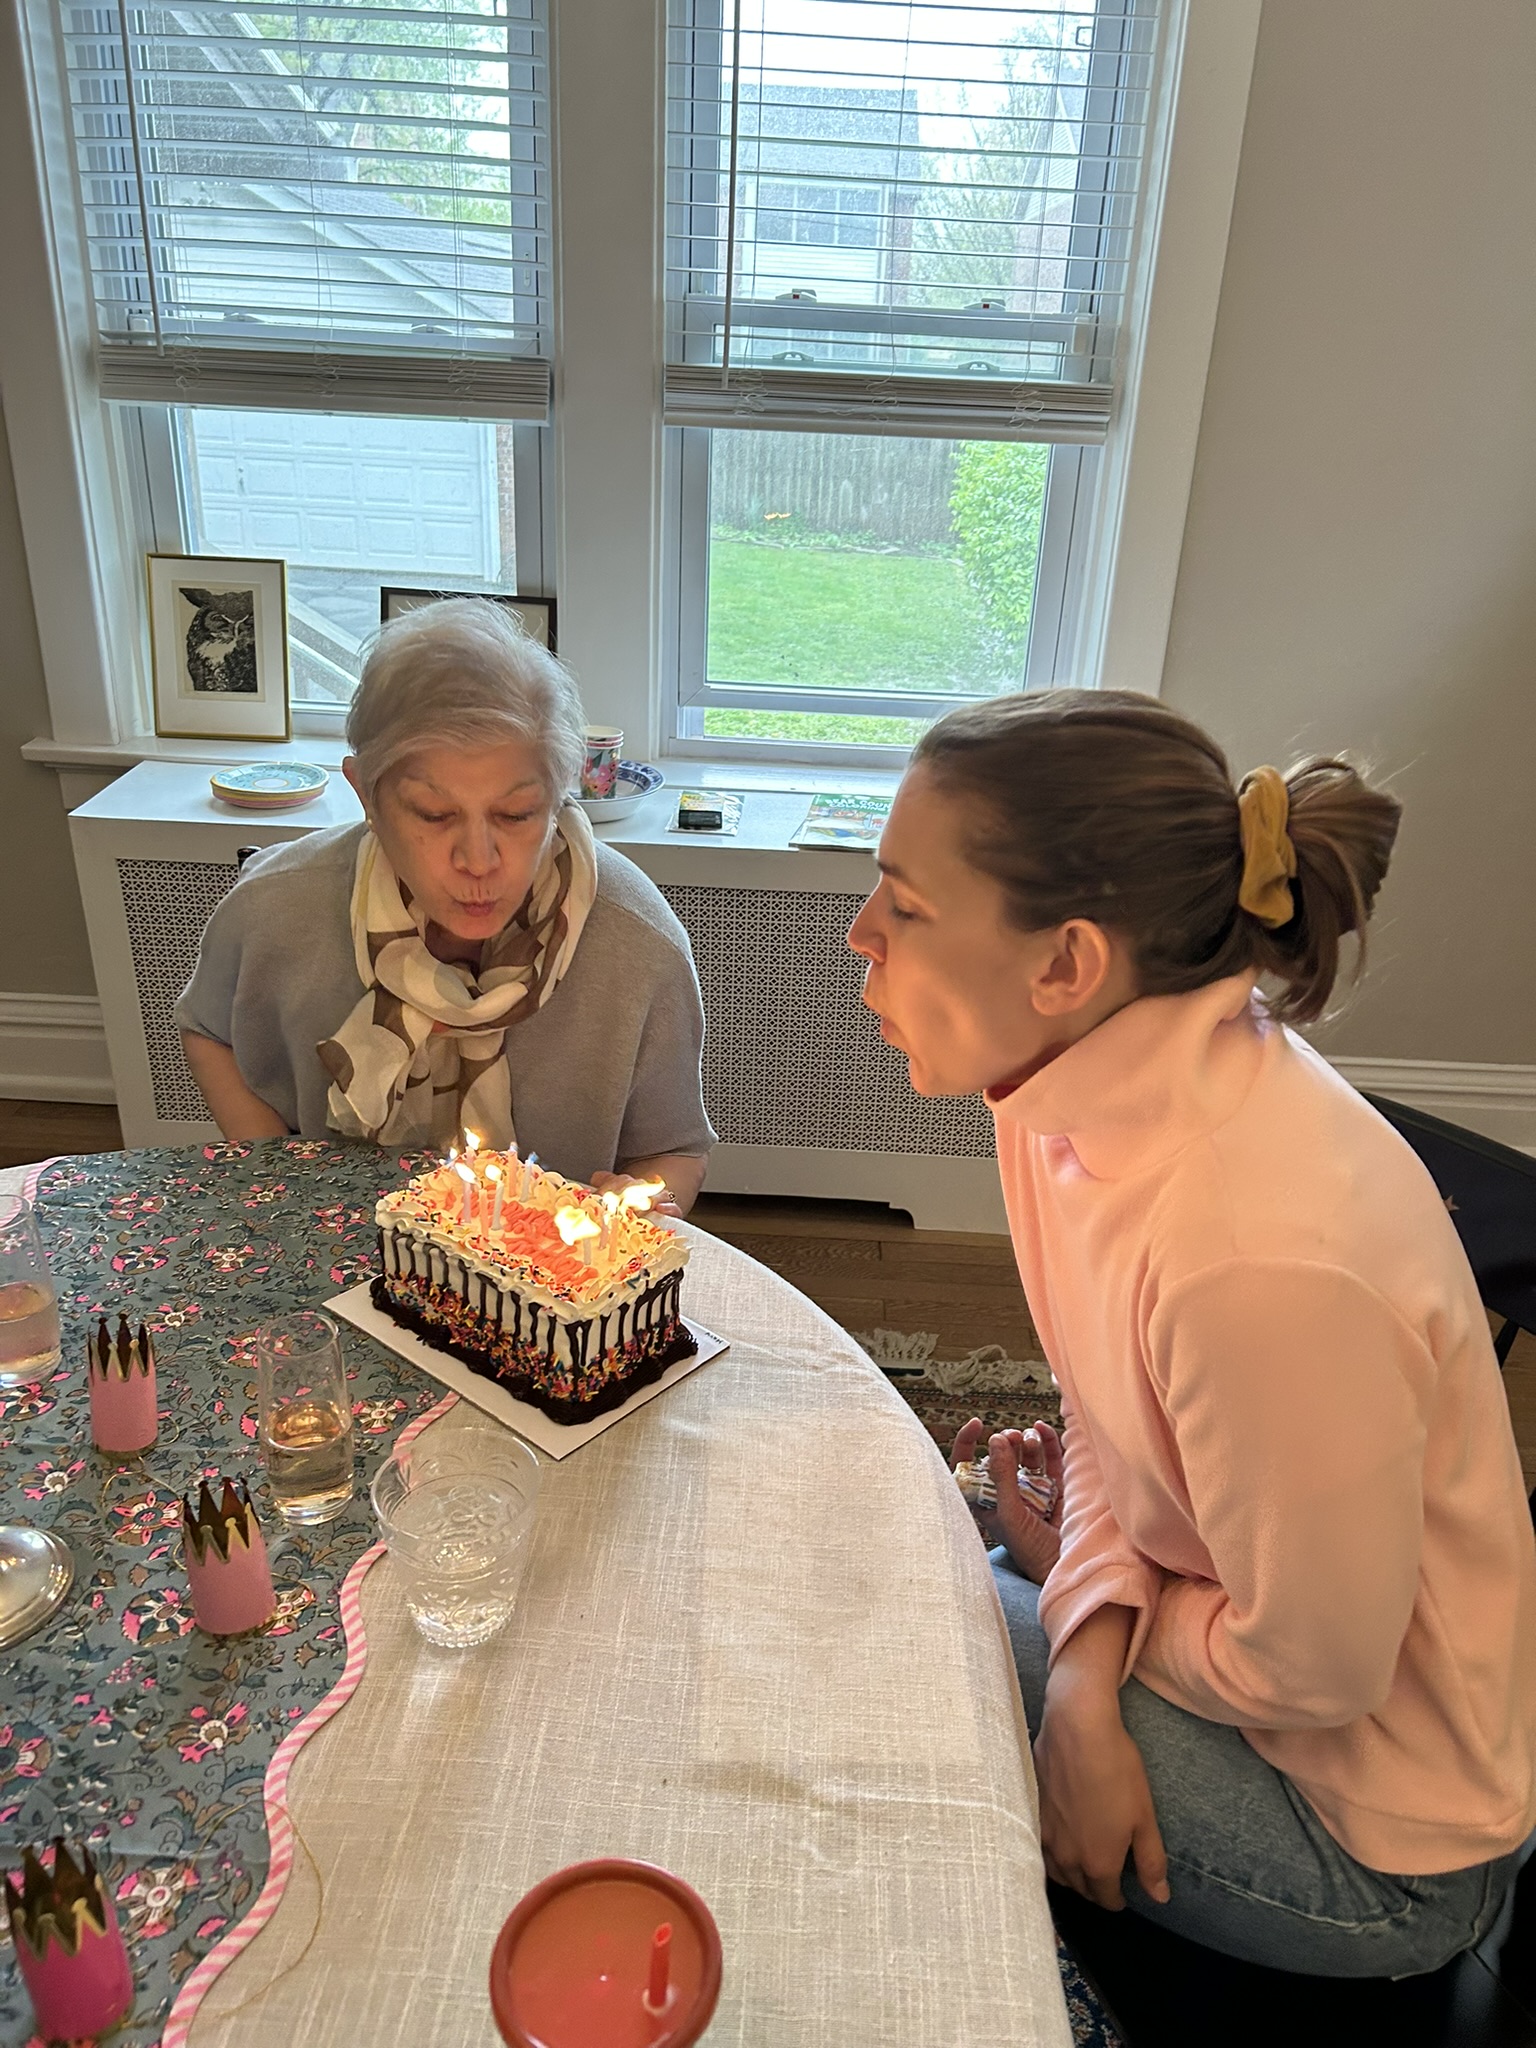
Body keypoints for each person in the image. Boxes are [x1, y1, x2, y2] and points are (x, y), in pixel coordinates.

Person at [848, 689, 1536, 1977]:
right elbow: (1108, 1420)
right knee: (924, 1565)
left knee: (885, 1625)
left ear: (1066, 963)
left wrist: (1087, 1652)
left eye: (908, 903)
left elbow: (1319, 1671)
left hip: (1373, 1836)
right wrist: (1088, 1632)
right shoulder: (1053, 1093)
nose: (859, 932)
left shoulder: (1259, 1263)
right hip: (1240, 1649)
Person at [176, 598, 713, 1214]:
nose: (479, 860)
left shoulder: (638, 946)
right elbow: (208, 1030)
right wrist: (282, 1180)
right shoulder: (275, 908)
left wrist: (642, 1204)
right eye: (434, 814)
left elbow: (674, 1150)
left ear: (559, 797)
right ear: (366, 795)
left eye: (517, 814)